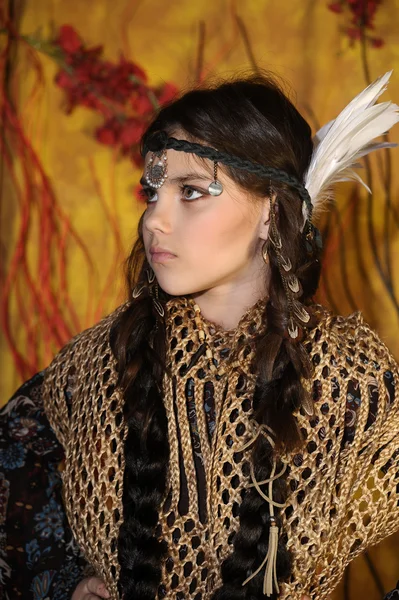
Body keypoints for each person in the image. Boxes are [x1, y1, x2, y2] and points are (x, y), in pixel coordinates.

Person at [1, 70, 399, 600]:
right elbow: (13, 485)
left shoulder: (351, 381)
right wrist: (62, 583)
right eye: (153, 190)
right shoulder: (100, 365)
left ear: (270, 212)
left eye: (190, 192)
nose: (154, 220)